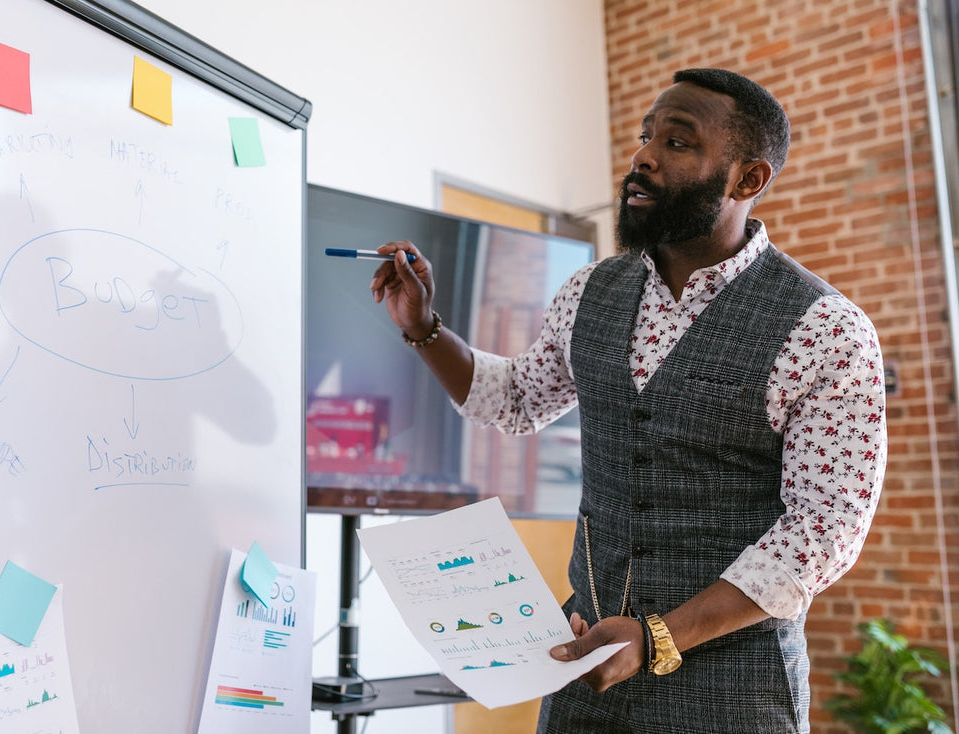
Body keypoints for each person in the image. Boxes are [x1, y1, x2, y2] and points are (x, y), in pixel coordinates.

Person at [367, 68, 887, 733]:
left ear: (747, 180)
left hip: (734, 689)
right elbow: (516, 400)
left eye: (678, 142)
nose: (643, 156)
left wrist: (658, 637)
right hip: (585, 670)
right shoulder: (589, 292)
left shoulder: (827, 330)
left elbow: (824, 529)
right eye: (646, 136)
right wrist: (423, 328)